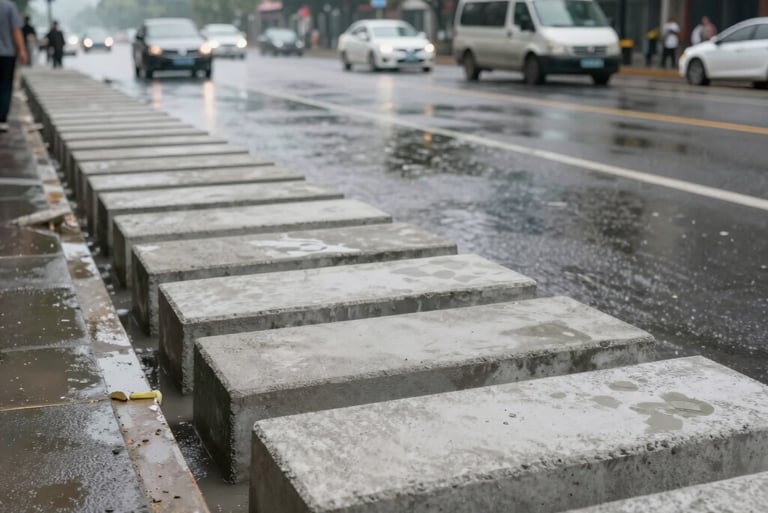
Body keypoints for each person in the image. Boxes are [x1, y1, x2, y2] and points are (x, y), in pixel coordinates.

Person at [0, 0, 28, 132]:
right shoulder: (9, 7)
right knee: (5, 86)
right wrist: (22, 50)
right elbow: (16, 30)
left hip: (7, 53)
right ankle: (2, 119)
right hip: (7, 54)